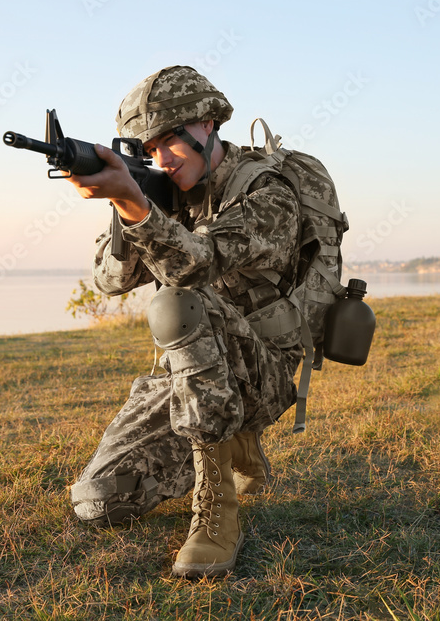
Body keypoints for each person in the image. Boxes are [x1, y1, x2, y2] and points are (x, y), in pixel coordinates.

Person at [65, 65, 306, 578]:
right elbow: (110, 280)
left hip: (260, 373)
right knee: (98, 501)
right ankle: (237, 443)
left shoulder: (268, 192)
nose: (160, 158)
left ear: (210, 123)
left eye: (169, 140)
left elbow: (195, 265)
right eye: (147, 150)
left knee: (176, 303)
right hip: (192, 377)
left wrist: (136, 201)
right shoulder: (164, 190)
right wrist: (125, 200)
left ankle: (217, 514)